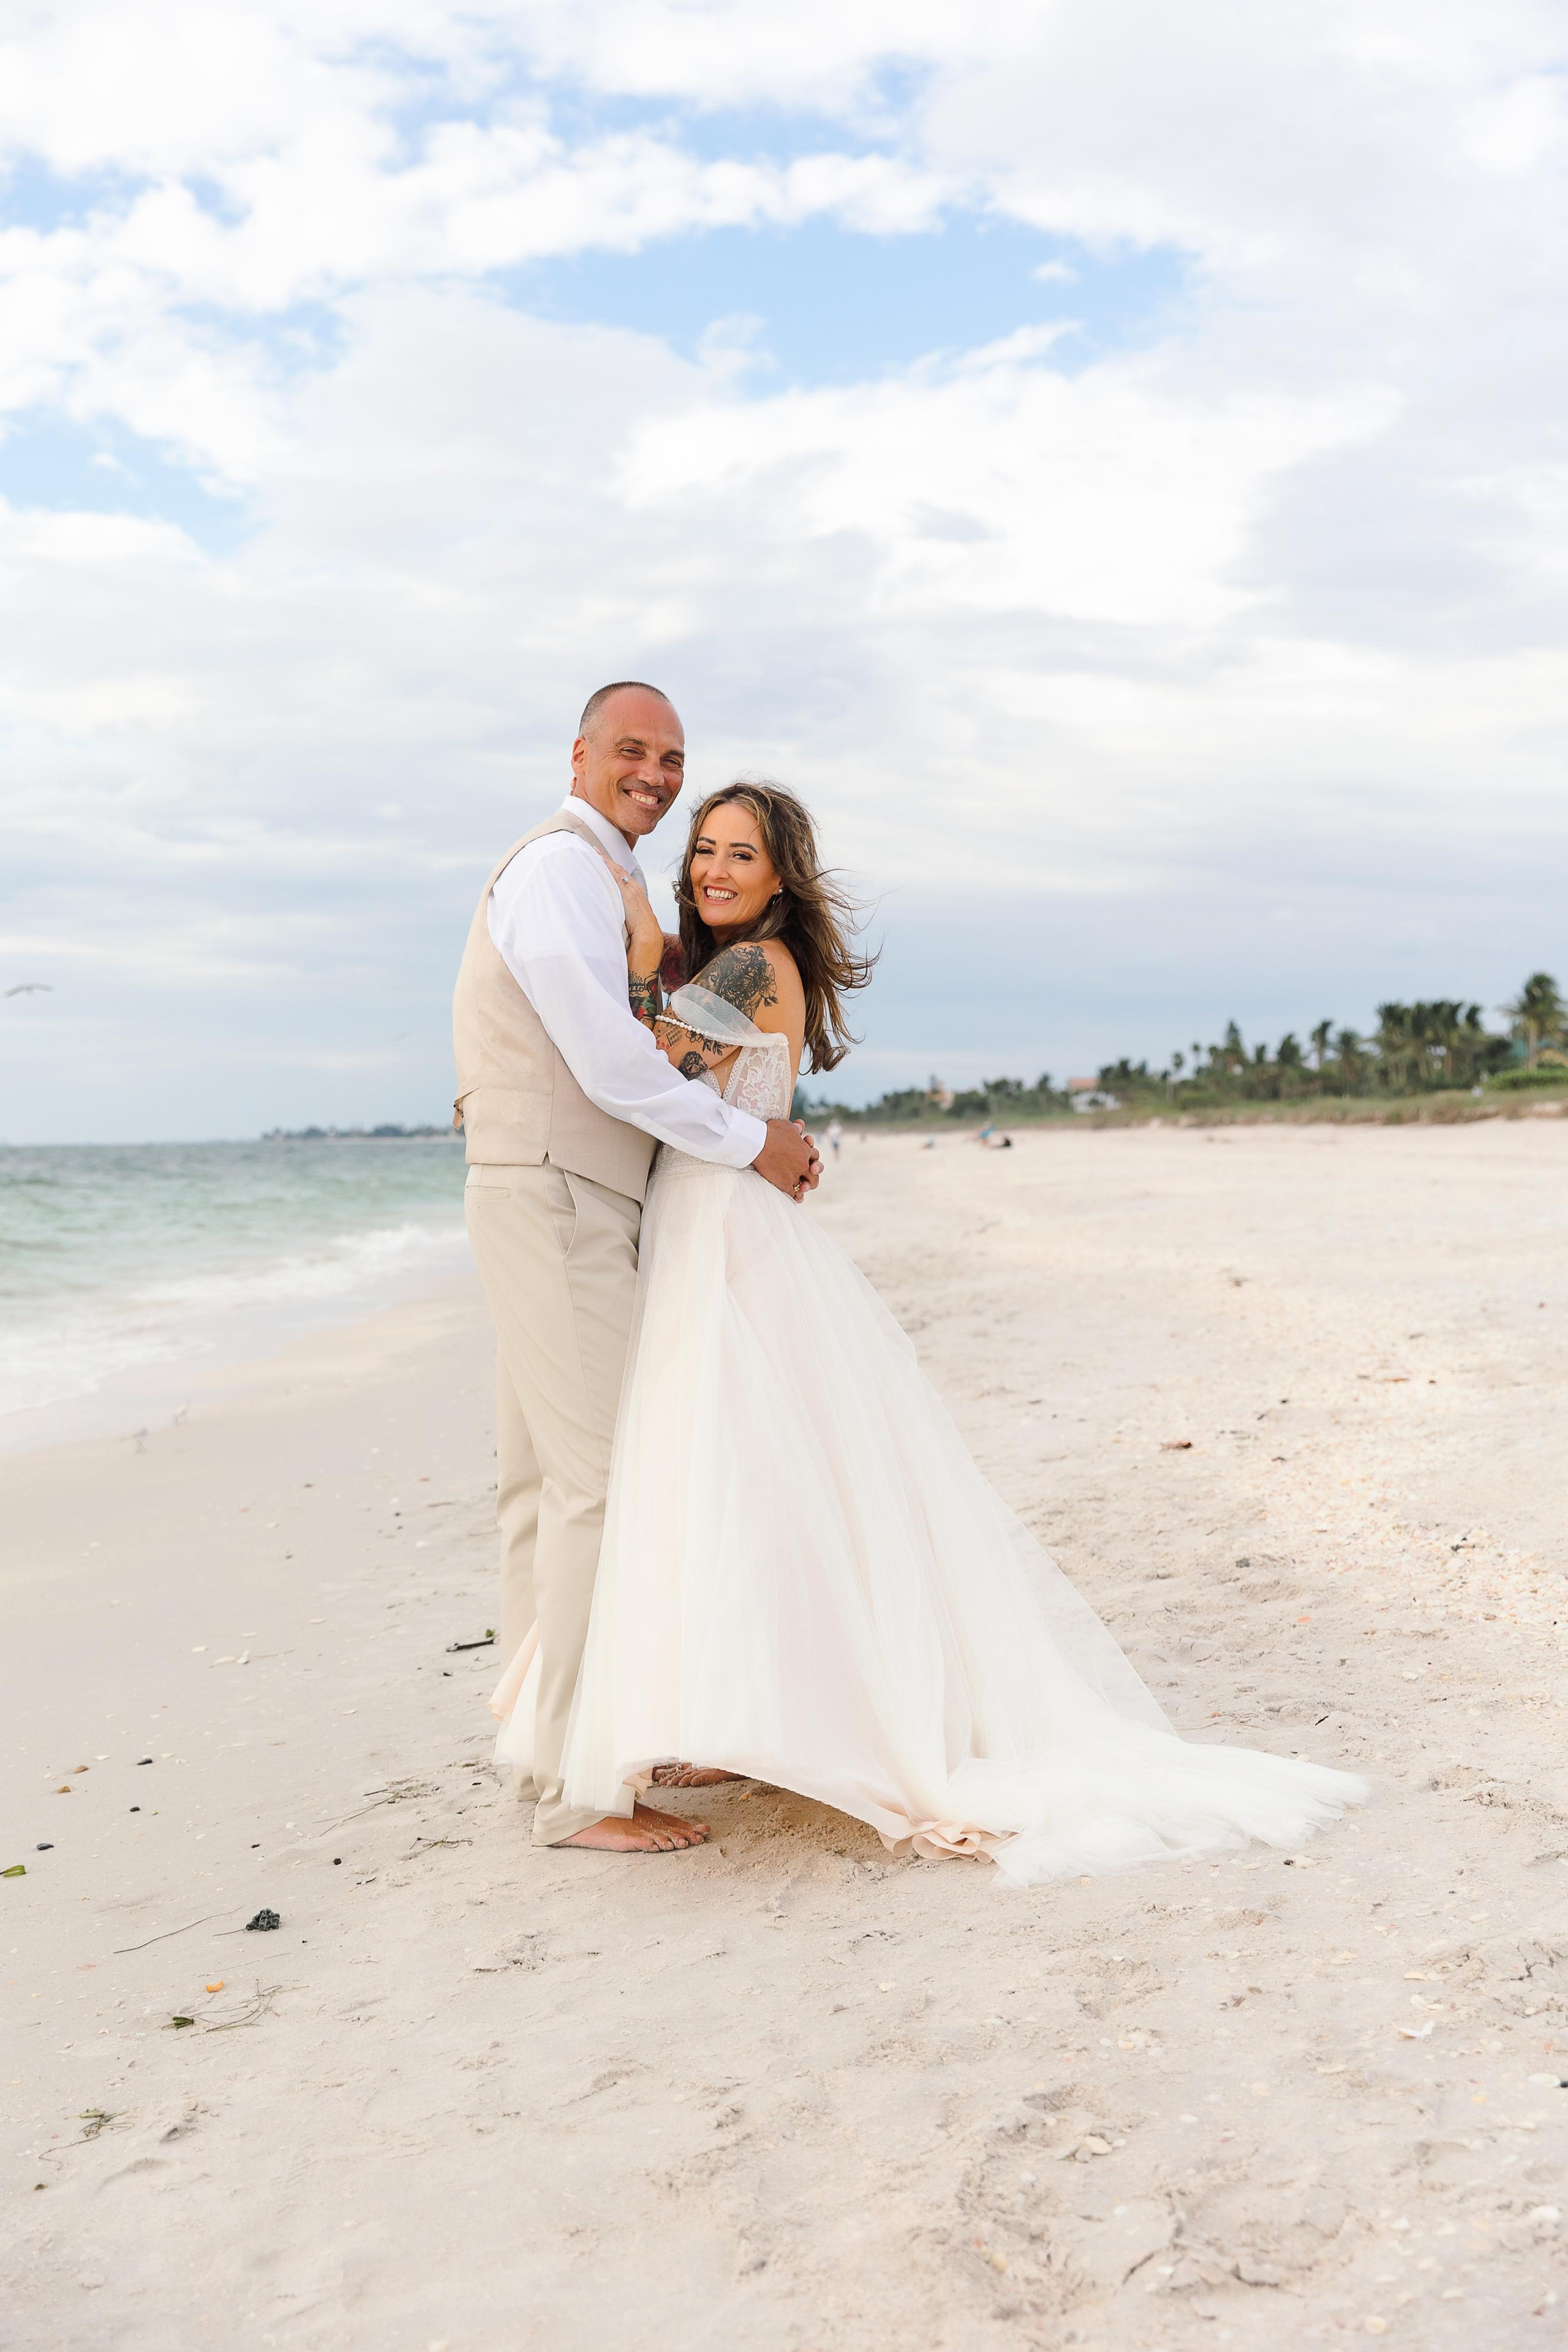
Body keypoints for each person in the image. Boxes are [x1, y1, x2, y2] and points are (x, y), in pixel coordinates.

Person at [492, 783, 1367, 1885]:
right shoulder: (743, 968)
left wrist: (622, 967)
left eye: (741, 856)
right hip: (727, 1217)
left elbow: (643, 1070)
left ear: (779, 878)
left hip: (719, 1228)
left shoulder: (749, 968)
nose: (715, 869)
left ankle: (774, 1715)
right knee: (760, 1475)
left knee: (734, 1468)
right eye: (704, 850)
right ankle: (745, 1717)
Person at [453, 685, 820, 1856]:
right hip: (563, 1188)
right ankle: (576, 1784)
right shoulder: (563, 868)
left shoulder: (607, 882)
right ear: (581, 753)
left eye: (672, 758)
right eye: (633, 752)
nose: (655, 776)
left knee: (546, 1487)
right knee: (592, 1486)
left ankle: (550, 1753)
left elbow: (638, 1051)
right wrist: (753, 1138)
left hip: (579, 1191)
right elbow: (615, 1061)